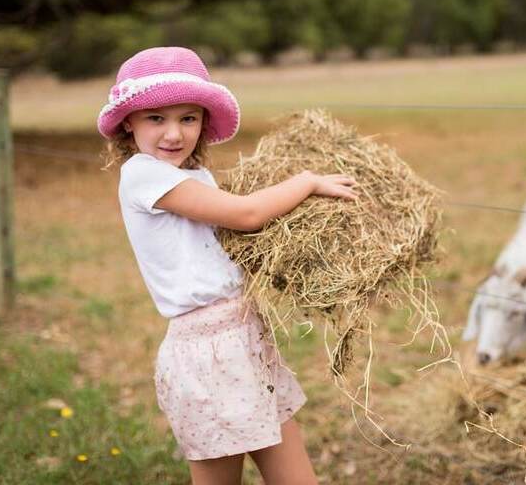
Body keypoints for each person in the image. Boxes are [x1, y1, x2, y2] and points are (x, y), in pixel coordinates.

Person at [98, 46, 357, 485]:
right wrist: (307, 182)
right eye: (156, 118)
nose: (174, 133)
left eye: (188, 118)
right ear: (129, 122)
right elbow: (247, 216)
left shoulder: (192, 176)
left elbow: (227, 240)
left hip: (243, 337)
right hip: (205, 350)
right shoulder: (144, 174)